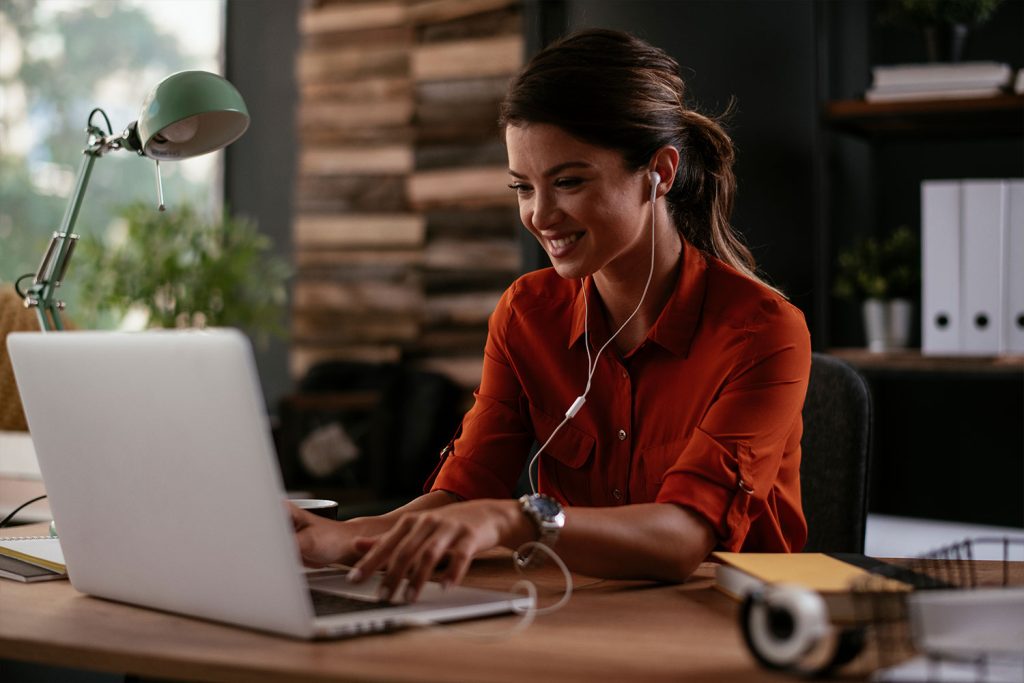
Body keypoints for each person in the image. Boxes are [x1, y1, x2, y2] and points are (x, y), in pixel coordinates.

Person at [291, 28, 811, 604]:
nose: (540, 216)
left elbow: (684, 538)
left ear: (660, 172)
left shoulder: (763, 331)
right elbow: (464, 496)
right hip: (577, 609)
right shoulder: (526, 316)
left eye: (568, 182)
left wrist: (520, 520)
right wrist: (338, 539)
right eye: (522, 187)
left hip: (735, 623)